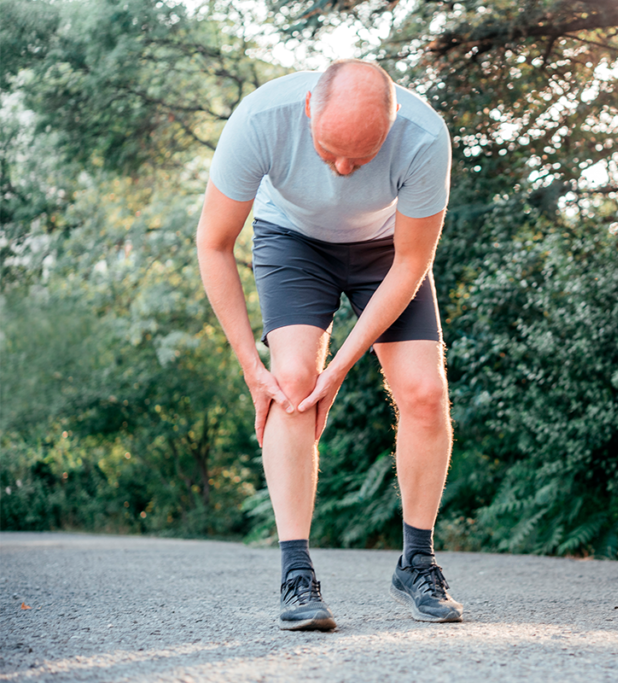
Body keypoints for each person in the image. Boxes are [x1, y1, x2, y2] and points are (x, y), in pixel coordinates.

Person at [196, 59, 461, 631]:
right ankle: (296, 573)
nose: (342, 170)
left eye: (360, 157)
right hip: (292, 242)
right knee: (292, 382)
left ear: (389, 128)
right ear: (310, 109)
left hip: (387, 251)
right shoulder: (261, 119)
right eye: (329, 150)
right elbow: (214, 243)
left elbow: (413, 259)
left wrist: (340, 367)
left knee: (423, 392)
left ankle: (417, 562)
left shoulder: (423, 135)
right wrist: (250, 365)